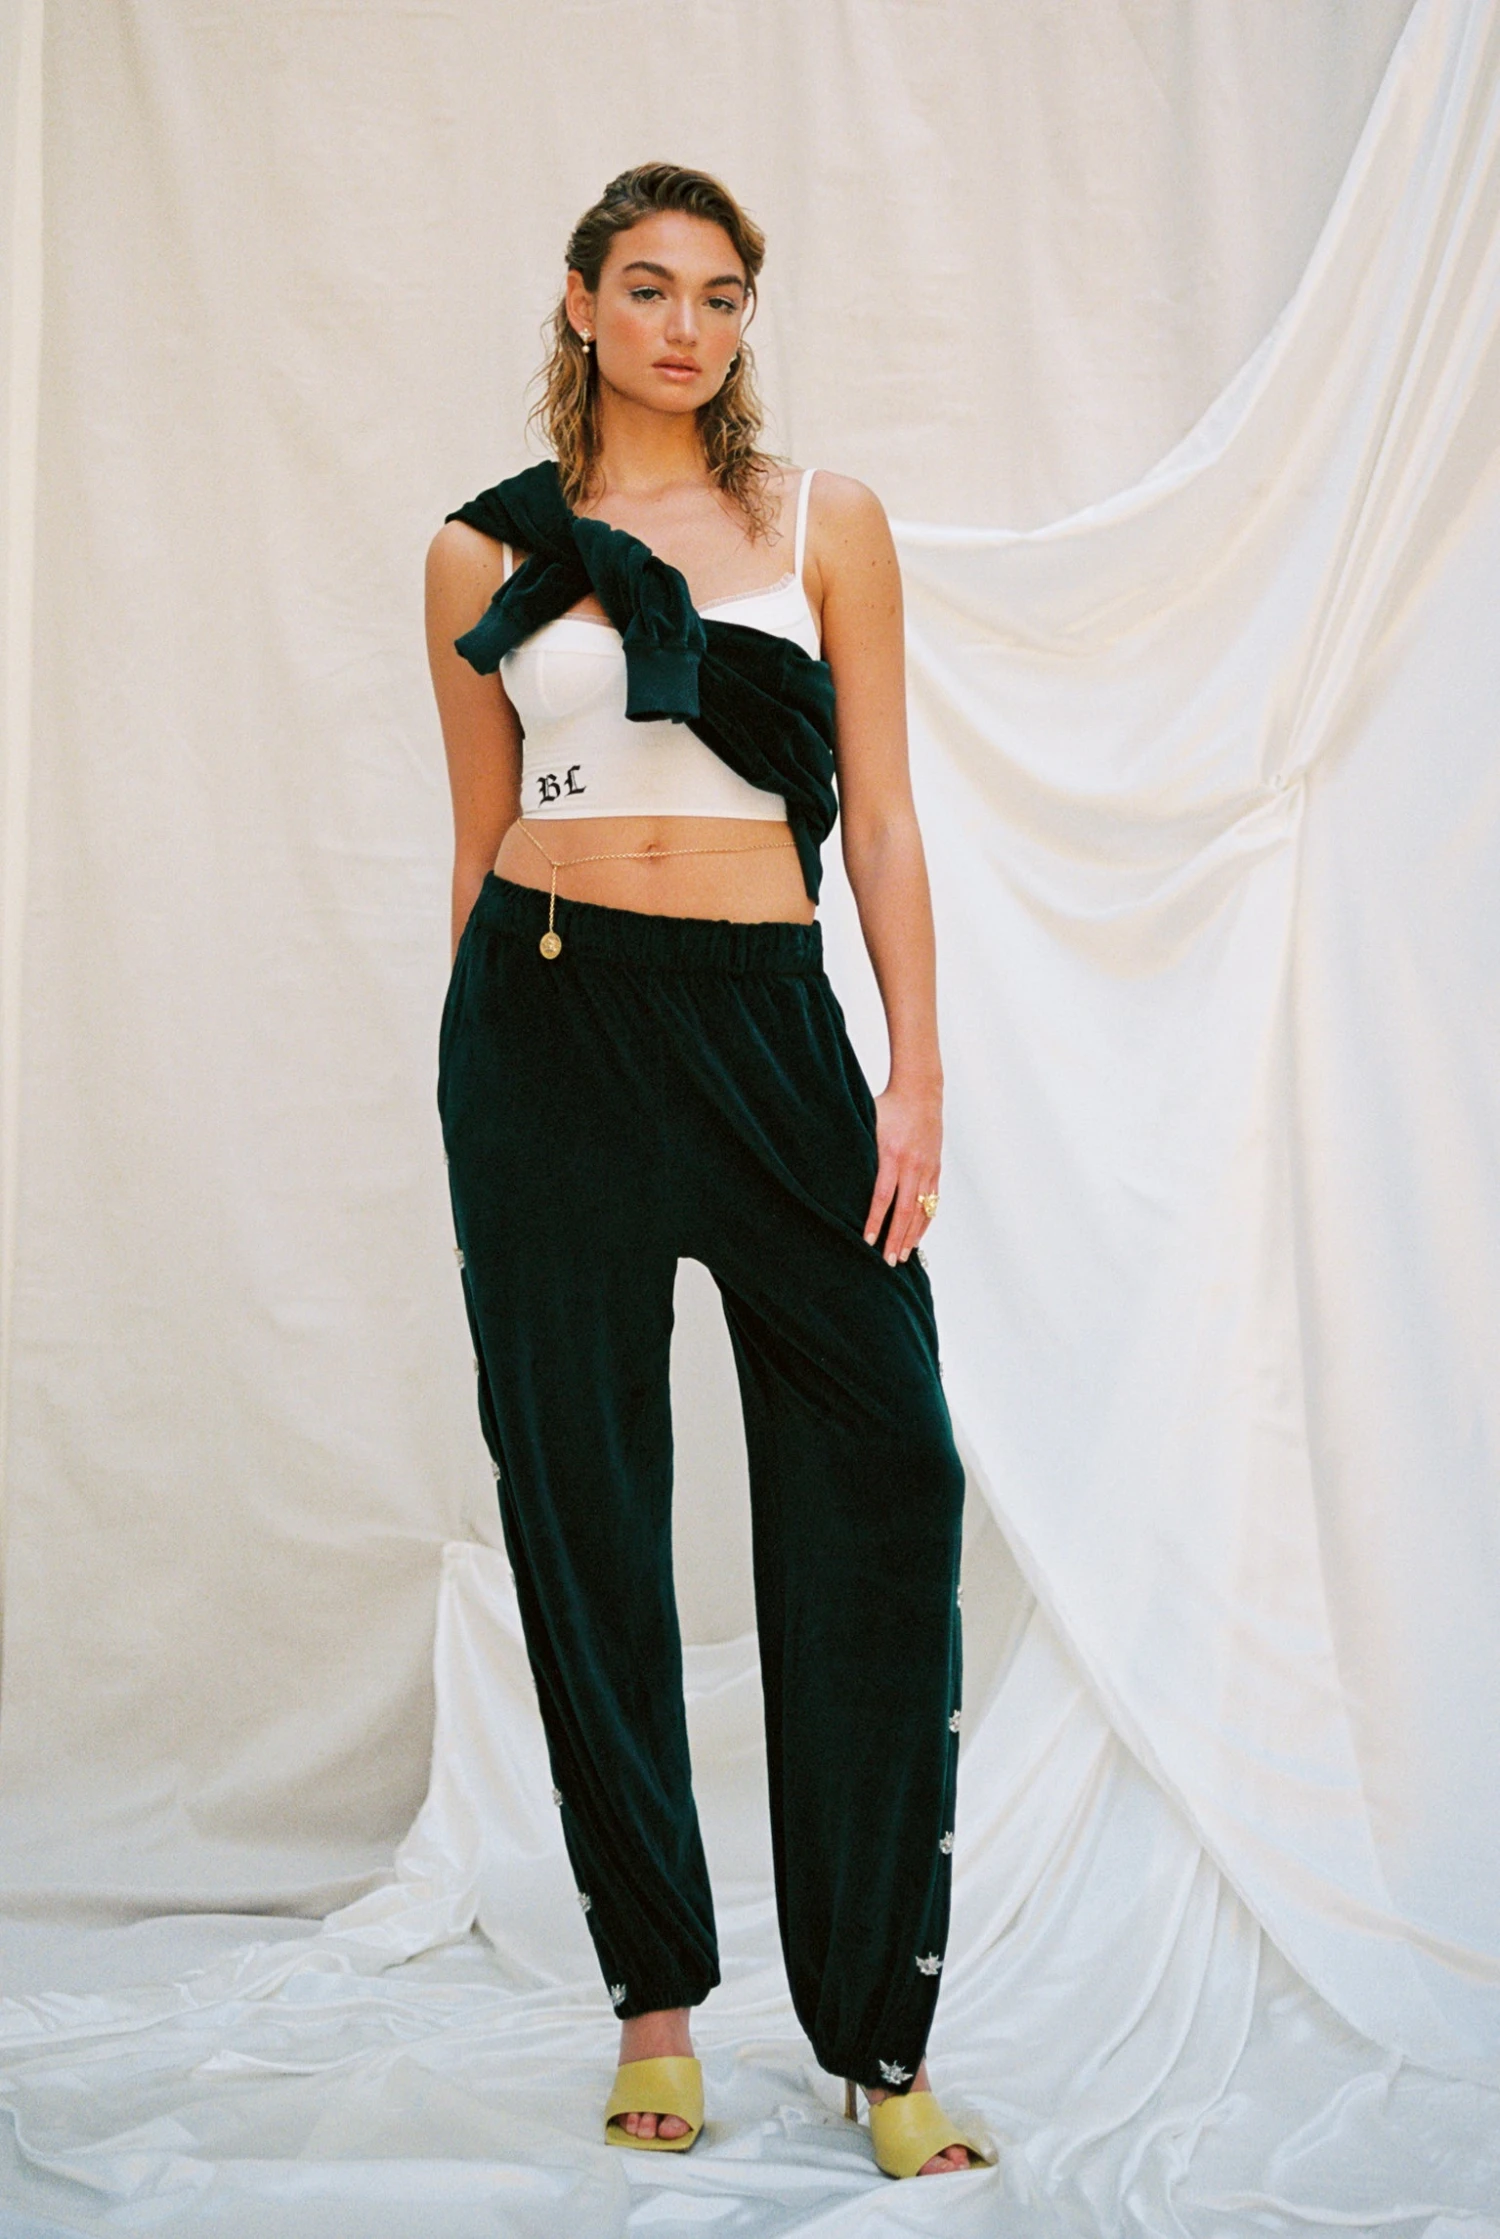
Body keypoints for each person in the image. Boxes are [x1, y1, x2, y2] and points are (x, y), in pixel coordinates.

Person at [425, 161, 992, 2182]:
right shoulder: (486, 547)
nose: (687, 325)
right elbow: (479, 838)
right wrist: (485, 1091)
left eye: (723, 295)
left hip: (767, 1025)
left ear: (747, 321)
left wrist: (913, 1075)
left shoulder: (823, 520)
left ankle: (876, 2032)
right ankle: (654, 2003)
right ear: (581, 303)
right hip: (549, 1023)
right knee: (587, 1504)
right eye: (651, 288)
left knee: (888, 1467)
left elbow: (887, 820)